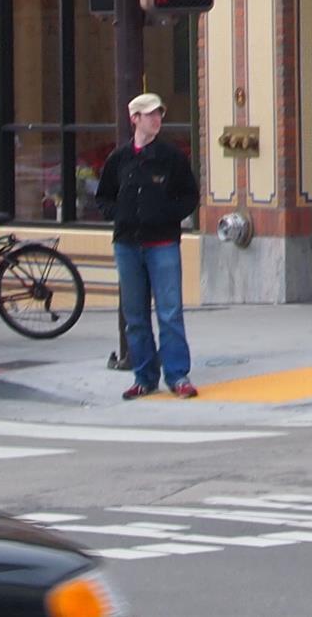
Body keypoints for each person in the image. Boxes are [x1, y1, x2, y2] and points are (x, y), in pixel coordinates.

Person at [99, 90, 200, 399]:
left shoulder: (171, 157)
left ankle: (178, 375)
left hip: (163, 243)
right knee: (135, 316)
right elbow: (103, 197)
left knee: (170, 313)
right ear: (135, 119)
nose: (157, 119)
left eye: (159, 114)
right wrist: (121, 215)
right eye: (150, 114)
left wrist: (167, 214)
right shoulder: (120, 159)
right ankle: (144, 376)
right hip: (127, 245)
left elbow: (189, 196)